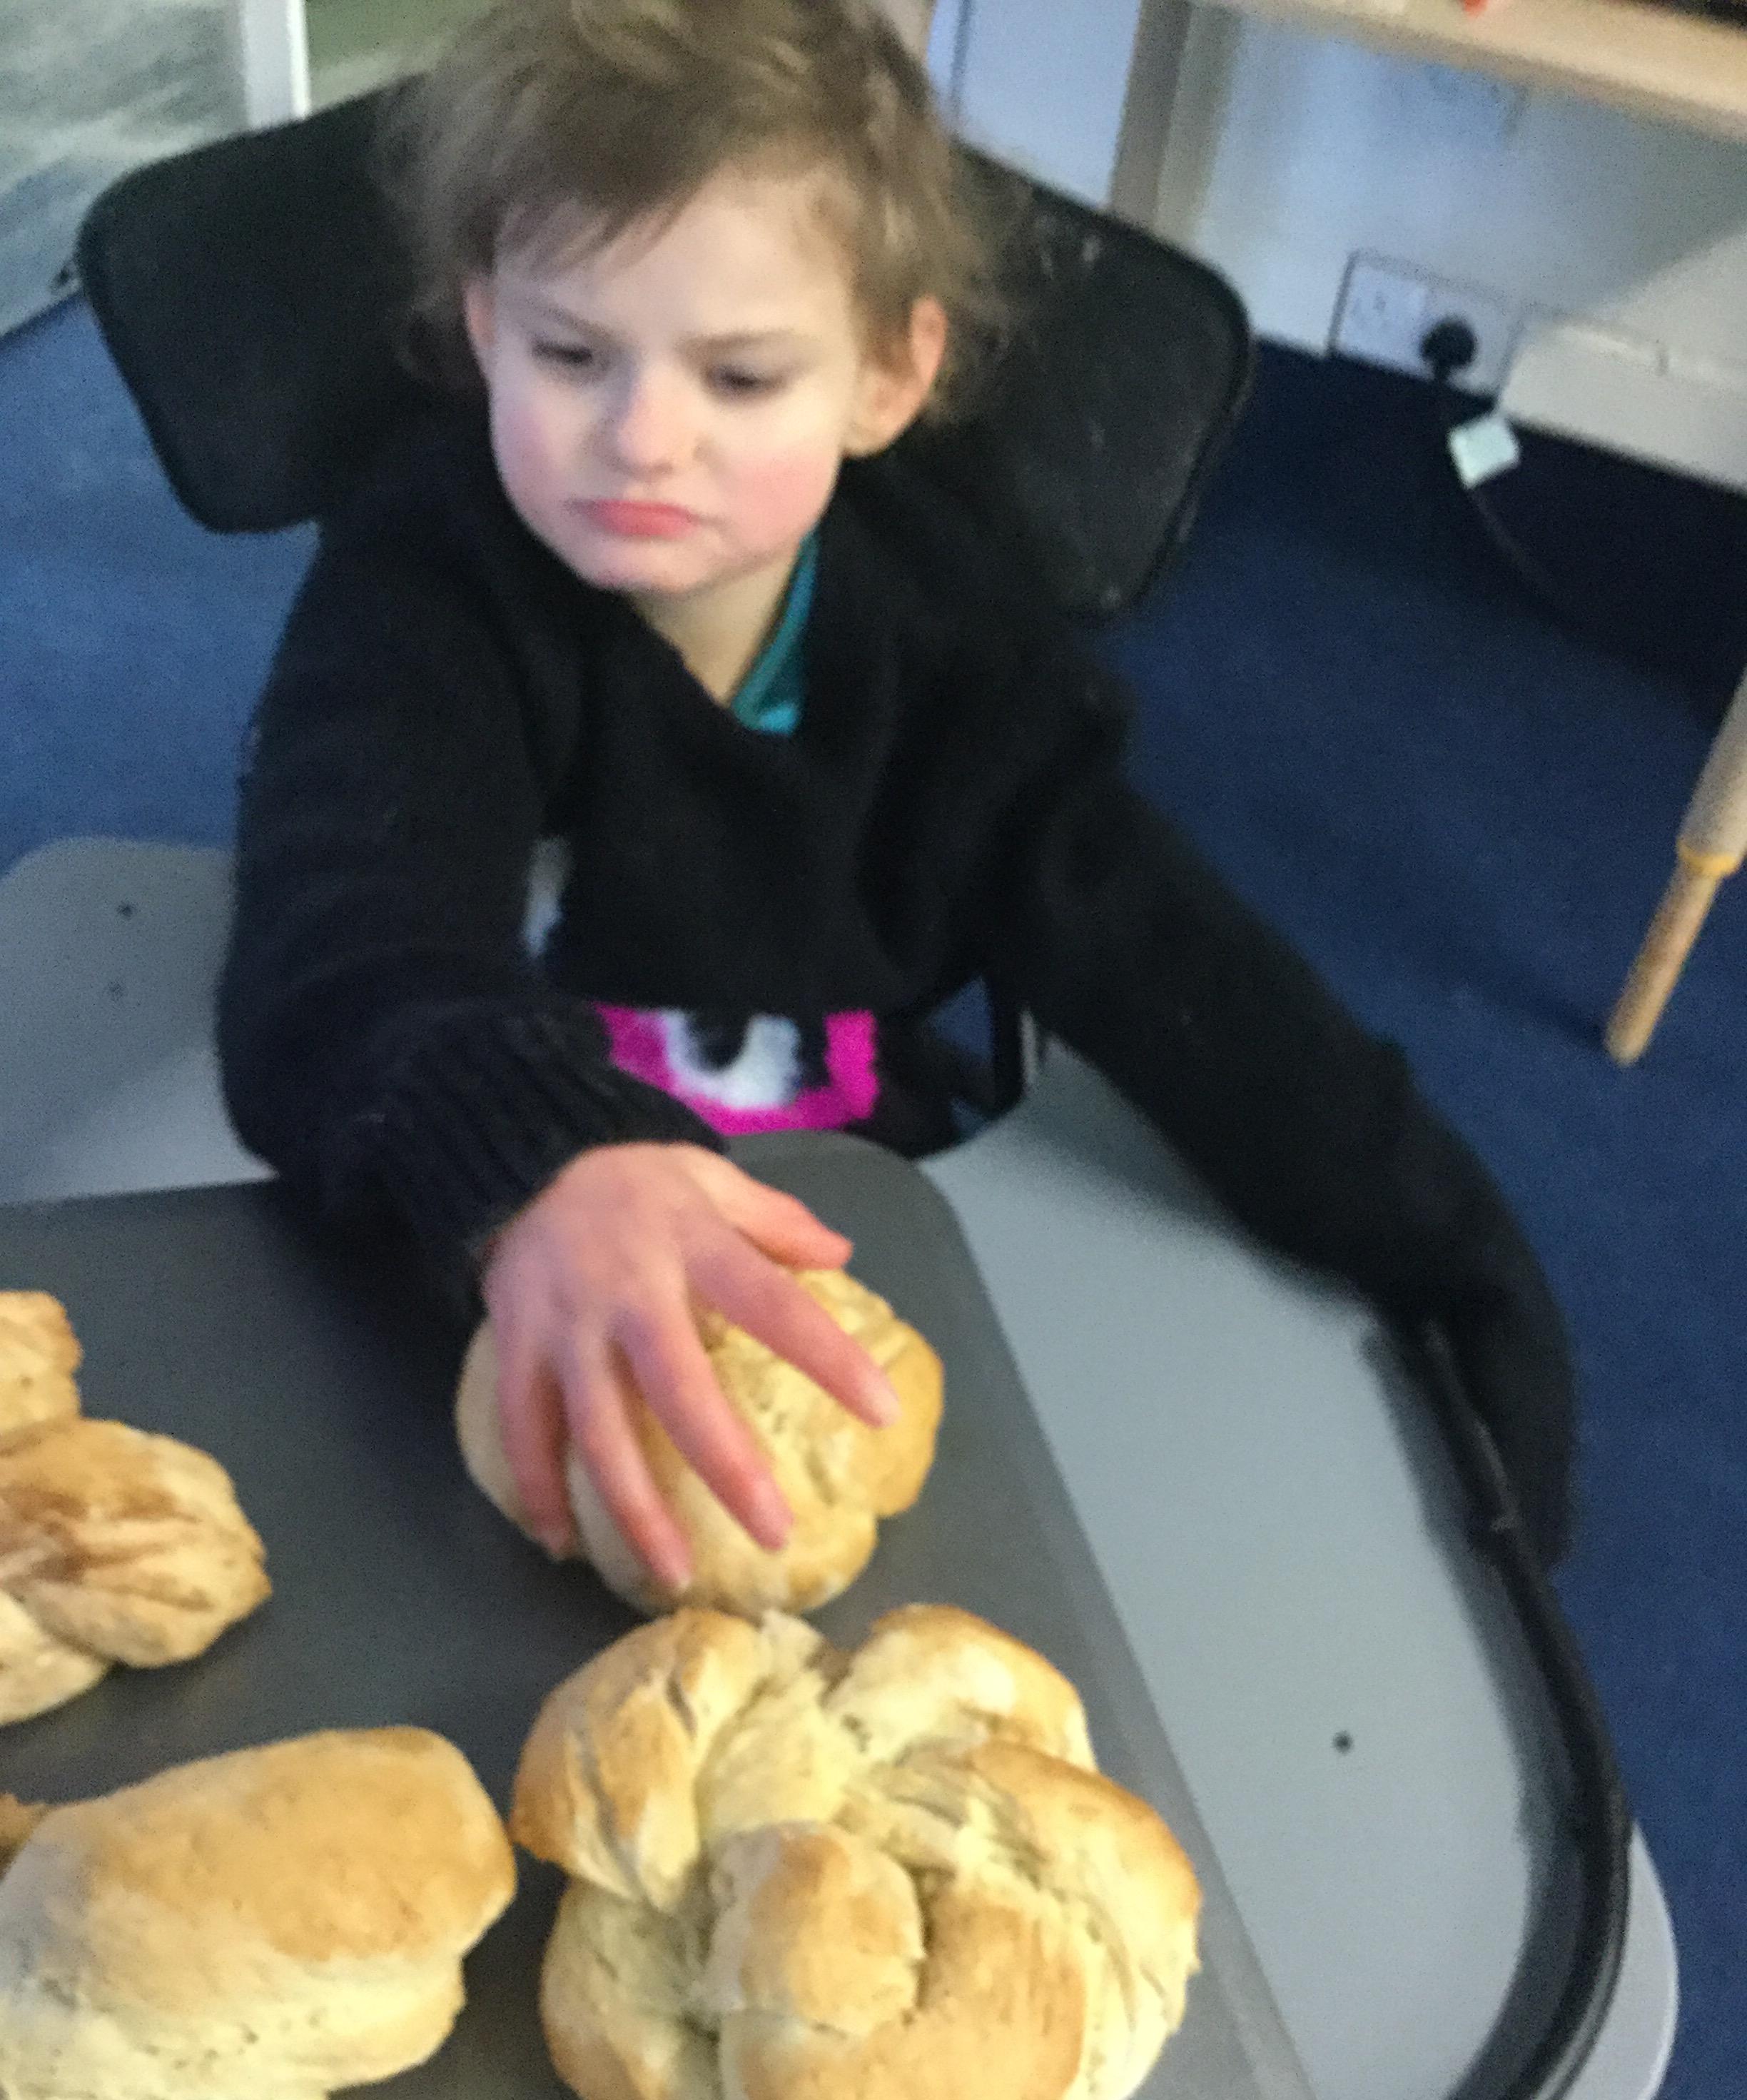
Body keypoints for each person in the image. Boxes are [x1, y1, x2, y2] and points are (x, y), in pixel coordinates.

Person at [218, 0, 1574, 1595]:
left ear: (885, 376)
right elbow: (339, 942)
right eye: (570, 354)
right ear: (484, 325)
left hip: (845, 1192)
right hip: (470, 1204)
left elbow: (1172, 960)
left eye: (741, 376)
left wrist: (1453, 1264)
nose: (642, 439)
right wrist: (538, 1166)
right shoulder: (427, 587)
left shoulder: (949, 644)